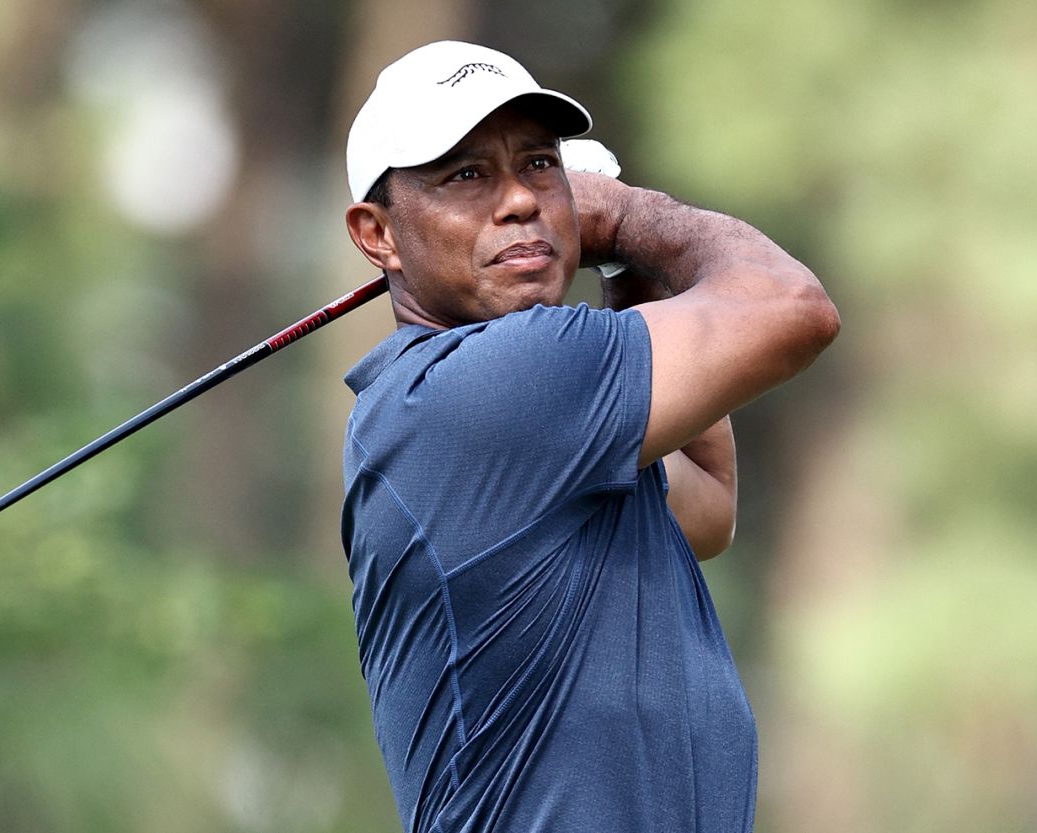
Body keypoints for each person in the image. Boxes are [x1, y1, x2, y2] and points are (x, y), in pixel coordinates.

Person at [339, 41, 838, 833]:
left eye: (539, 165)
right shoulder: (493, 389)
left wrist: (619, 268)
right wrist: (630, 215)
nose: (518, 201)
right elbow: (792, 307)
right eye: (465, 175)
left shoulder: (550, 430)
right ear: (379, 234)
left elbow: (707, 505)